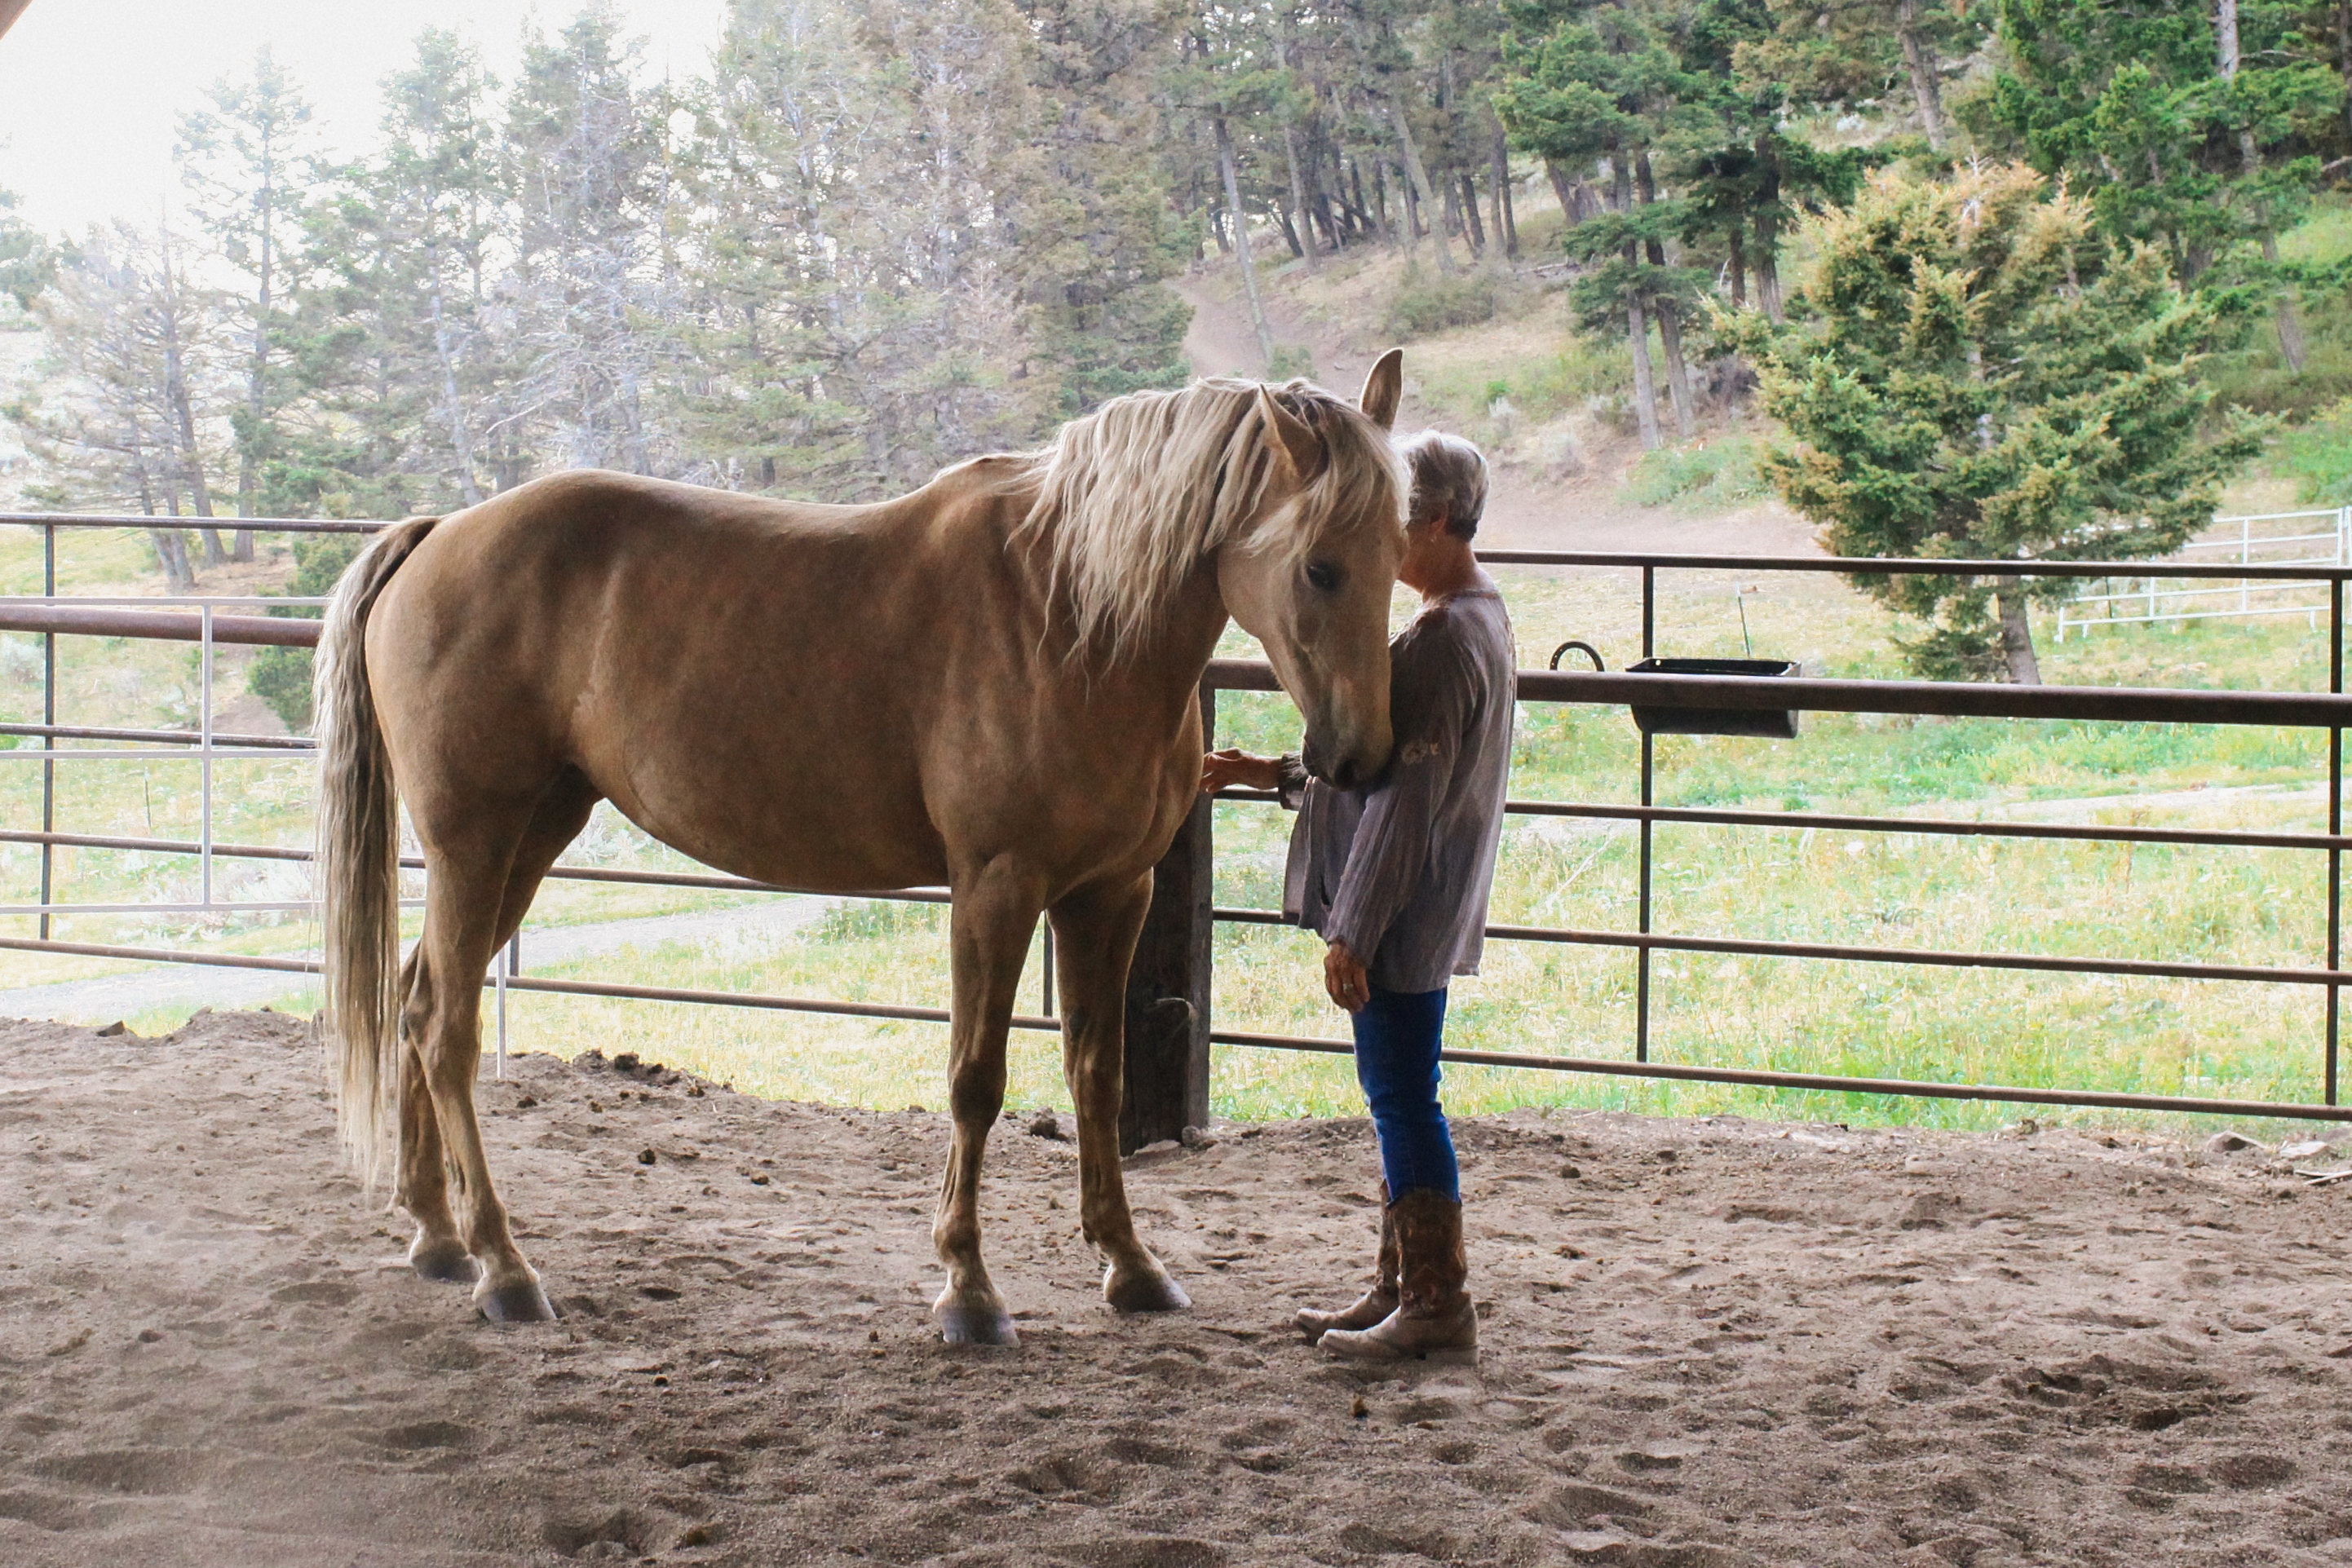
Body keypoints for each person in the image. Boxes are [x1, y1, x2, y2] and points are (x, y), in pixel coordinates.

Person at [1201, 429, 1511, 1364]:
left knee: (1402, 1098)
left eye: (1396, 524)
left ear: (1439, 520)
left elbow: (1405, 807)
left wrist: (1353, 931)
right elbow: (1386, 775)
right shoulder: (1479, 619)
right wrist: (1274, 773)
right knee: (1403, 1093)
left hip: (1403, 917)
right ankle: (1401, 1286)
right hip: (1429, 903)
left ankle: (1435, 1304)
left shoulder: (1437, 642)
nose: (1386, 544)